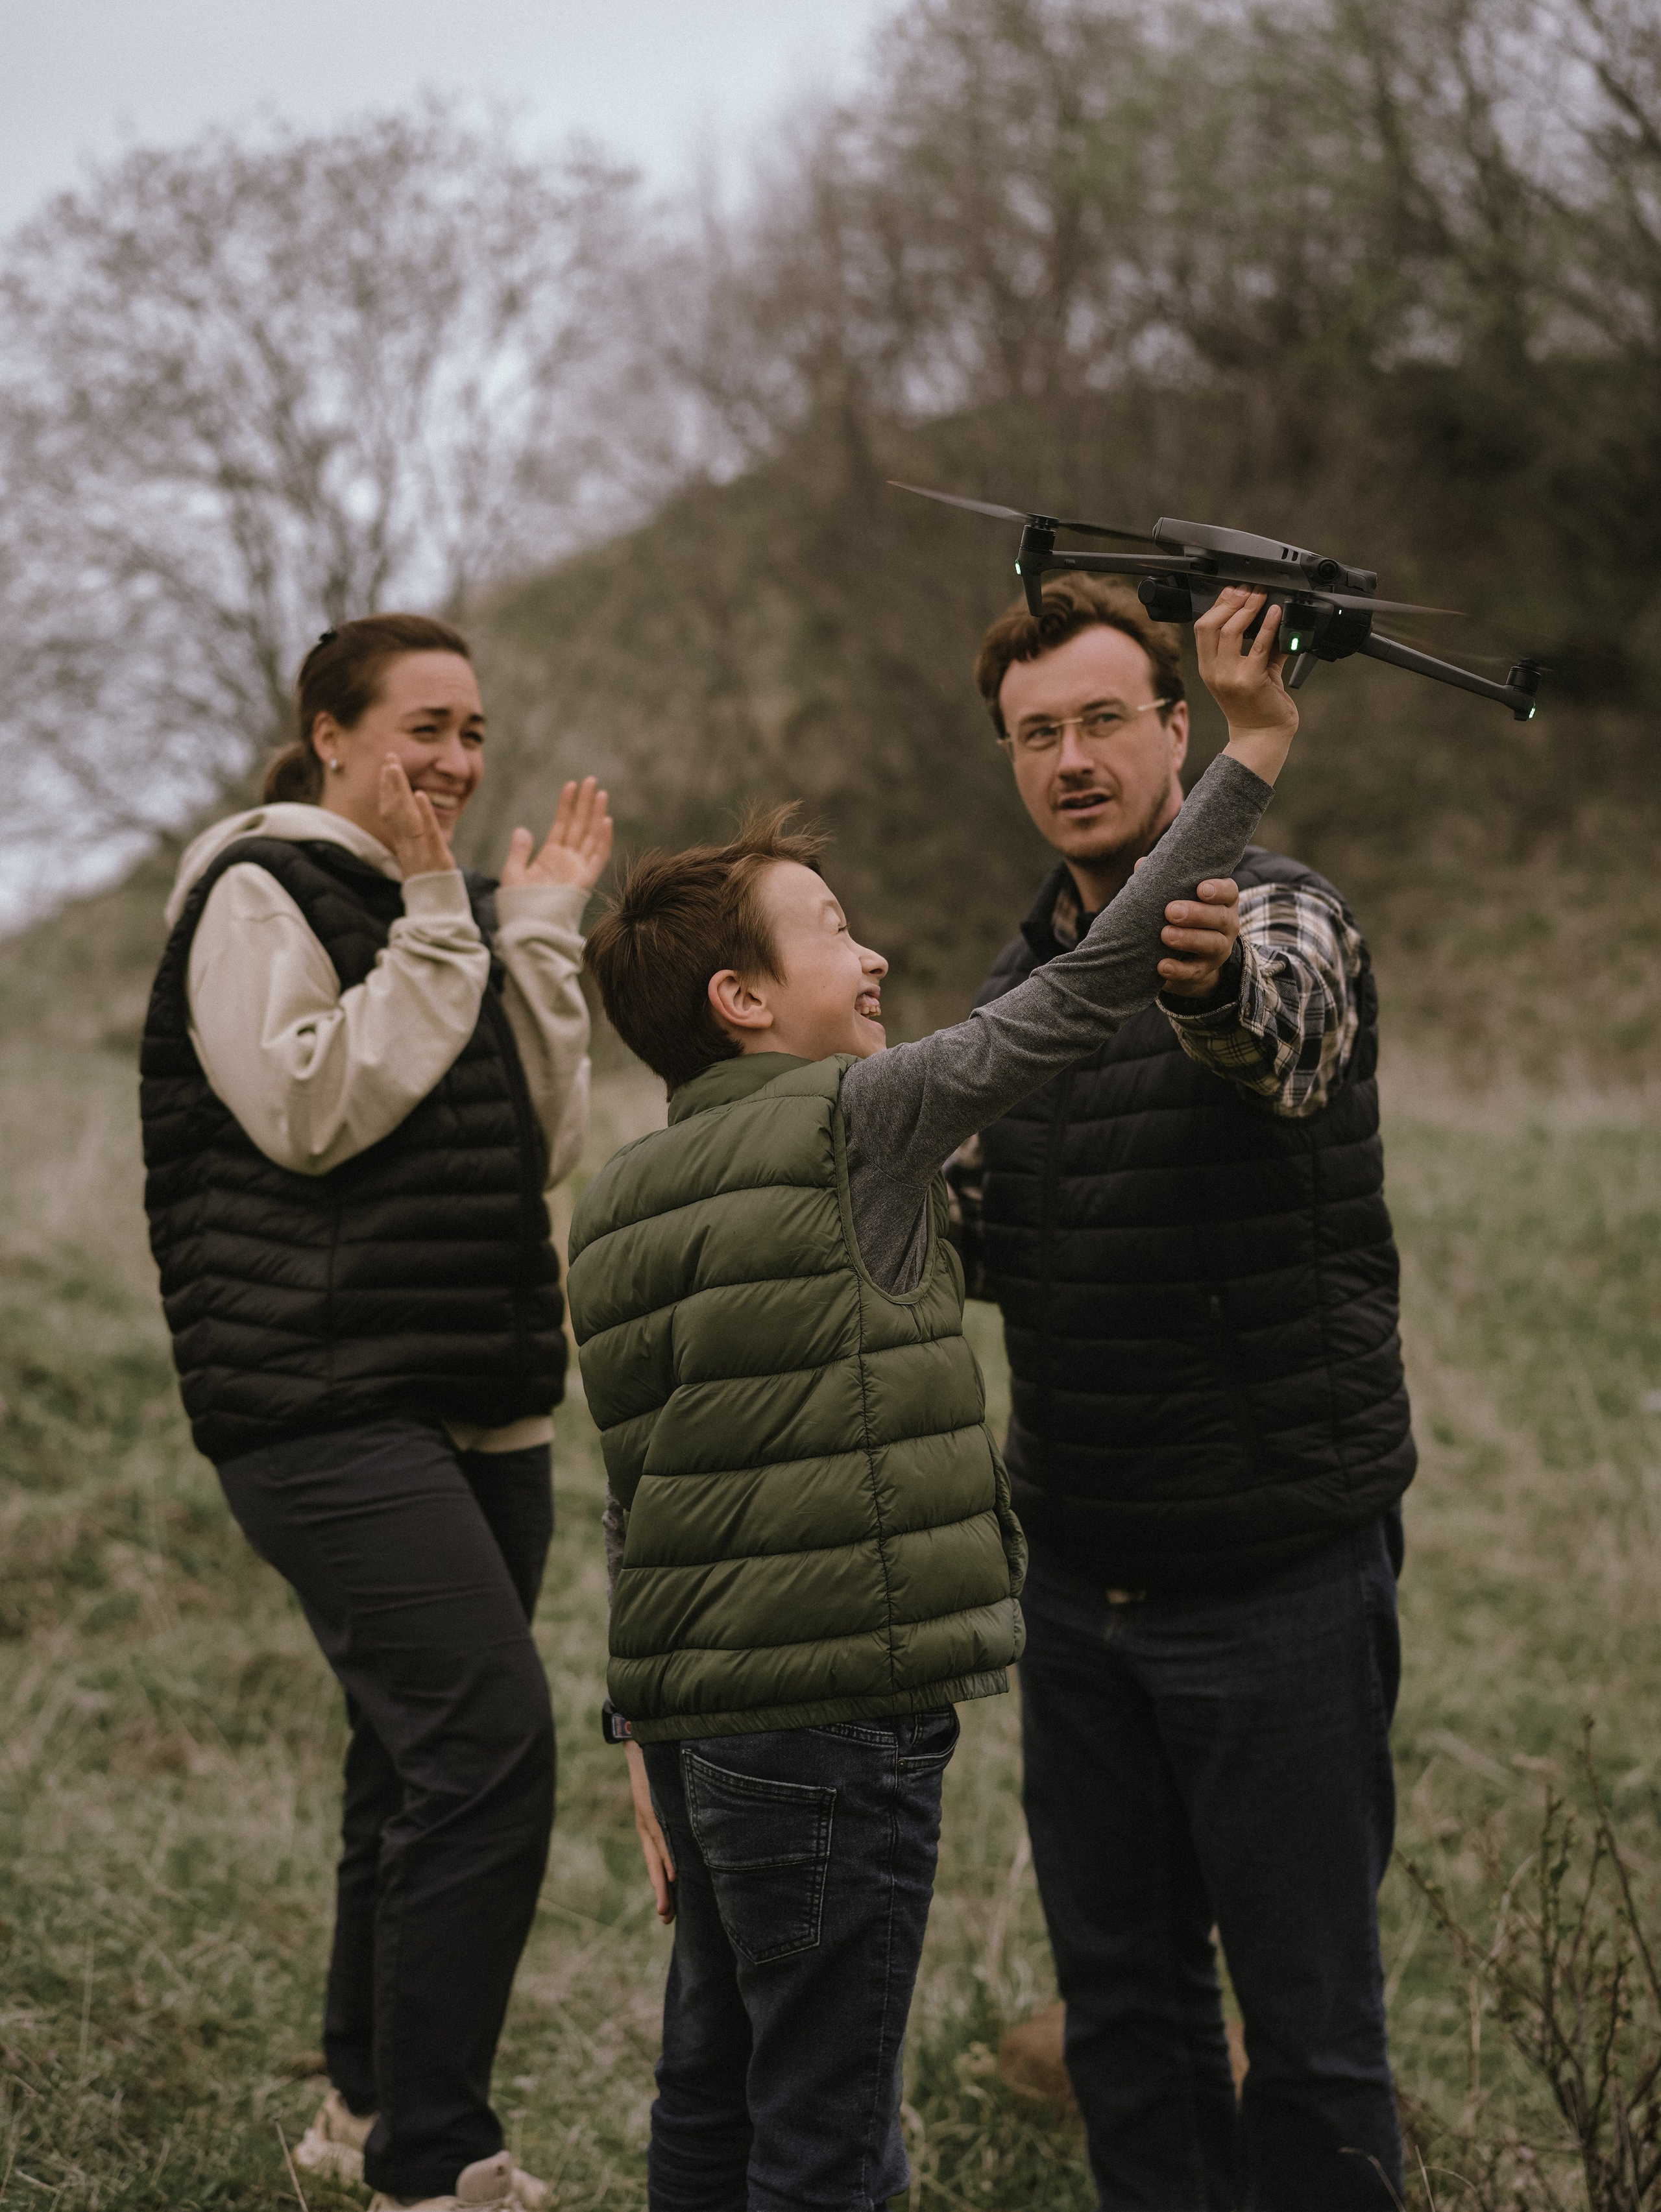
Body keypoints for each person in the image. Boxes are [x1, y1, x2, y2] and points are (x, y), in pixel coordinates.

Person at [565, 587, 1298, 2212]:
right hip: (831, 1724)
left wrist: (639, 1721)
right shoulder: (863, 1120)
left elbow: (643, 1486)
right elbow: (1086, 987)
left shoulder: (615, 1205)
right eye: (830, 930)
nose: (873, 948)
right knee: (828, 2122)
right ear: (742, 1003)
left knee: (711, 2087)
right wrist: (1244, 752)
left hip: (700, 1726)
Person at [949, 574, 1416, 2210]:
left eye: (1098, 720)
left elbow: (1278, 1035)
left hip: (1272, 1582)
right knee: (1127, 2026)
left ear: (1171, 728)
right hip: (1078, 1594)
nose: (1068, 757)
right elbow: (952, 1241)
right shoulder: (1012, 1004)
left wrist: (1201, 983)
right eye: (1033, 734)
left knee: (1307, 2037)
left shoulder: (1273, 910)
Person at [138, 614, 613, 2212]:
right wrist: (436, 920)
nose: (459, 762)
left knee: (409, 1765)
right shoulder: (254, 892)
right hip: (318, 1401)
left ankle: (358, 2108)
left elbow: (536, 1140)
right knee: (488, 1753)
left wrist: (534, 928)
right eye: (424, 725)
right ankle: (440, 2158)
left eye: (475, 729)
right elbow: (312, 1107)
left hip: (482, 1400)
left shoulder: (448, 912)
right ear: (329, 733)